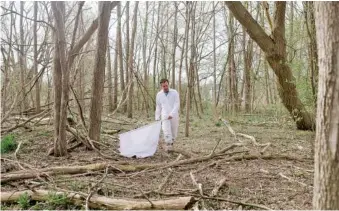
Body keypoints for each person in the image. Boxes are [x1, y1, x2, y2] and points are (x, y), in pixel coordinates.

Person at [155, 78, 180, 151]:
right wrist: (157, 117)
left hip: (174, 115)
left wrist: (172, 114)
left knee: (173, 131)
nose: (165, 87)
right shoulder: (159, 95)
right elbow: (158, 106)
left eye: (166, 85)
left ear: (168, 84)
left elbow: (177, 104)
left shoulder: (174, 92)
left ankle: (172, 144)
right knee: (166, 131)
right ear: (161, 86)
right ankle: (168, 146)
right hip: (164, 115)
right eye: (163, 86)